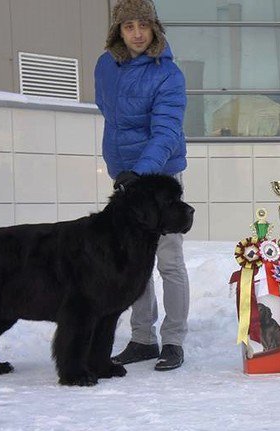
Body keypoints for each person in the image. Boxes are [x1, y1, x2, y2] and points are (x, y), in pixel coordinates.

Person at [94, 0, 189, 371]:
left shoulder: (169, 74)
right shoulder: (105, 66)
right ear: (118, 31)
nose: (136, 33)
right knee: (133, 260)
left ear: (155, 28)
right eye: (128, 26)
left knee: (169, 260)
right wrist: (123, 171)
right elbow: (109, 114)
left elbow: (166, 131)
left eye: (143, 25)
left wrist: (141, 173)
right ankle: (143, 339)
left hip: (159, 178)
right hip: (124, 178)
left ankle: (173, 341)